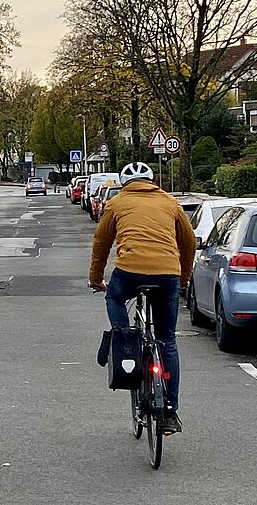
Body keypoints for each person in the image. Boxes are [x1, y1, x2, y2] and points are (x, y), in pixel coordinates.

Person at [88, 161, 196, 435]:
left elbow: (101, 243)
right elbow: (189, 242)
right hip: (167, 275)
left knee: (114, 298)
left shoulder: (117, 203)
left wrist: (95, 279)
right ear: (152, 181)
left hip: (130, 272)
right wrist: (183, 278)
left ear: (126, 184)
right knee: (167, 340)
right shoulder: (170, 202)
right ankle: (170, 413)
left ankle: (124, 336)